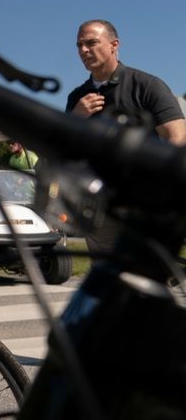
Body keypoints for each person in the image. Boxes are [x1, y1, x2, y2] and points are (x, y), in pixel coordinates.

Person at [65, 19, 186, 258]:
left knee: (149, 277)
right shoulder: (77, 98)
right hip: (99, 207)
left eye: (91, 43)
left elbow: (177, 137)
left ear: (114, 44)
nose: (83, 50)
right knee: (106, 278)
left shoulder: (147, 85)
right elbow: (67, 149)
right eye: (79, 45)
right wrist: (76, 118)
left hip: (143, 205)